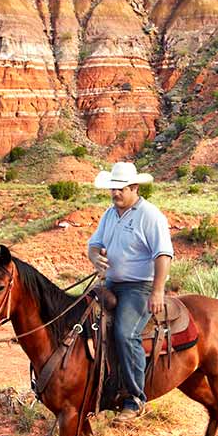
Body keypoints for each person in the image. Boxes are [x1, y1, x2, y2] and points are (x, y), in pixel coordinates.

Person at [86, 161, 174, 421]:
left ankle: (135, 398)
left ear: (134, 187)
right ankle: (99, 387)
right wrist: (95, 258)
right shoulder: (109, 214)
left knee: (126, 333)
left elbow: (163, 254)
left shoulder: (150, 215)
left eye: (120, 189)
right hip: (111, 284)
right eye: (112, 189)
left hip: (139, 286)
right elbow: (94, 245)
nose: (115, 194)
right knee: (84, 320)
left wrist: (157, 292)